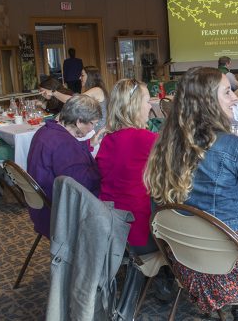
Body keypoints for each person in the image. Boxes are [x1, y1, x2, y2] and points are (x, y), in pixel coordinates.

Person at [144, 67, 238, 321]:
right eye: (227, 92)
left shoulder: (164, 145)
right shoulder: (235, 147)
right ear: (207, 102)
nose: (235, 97)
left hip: (190, 272)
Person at [26, 94, 102, 238]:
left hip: (42, 206)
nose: (93, 127)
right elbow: (83, 185)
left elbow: (63, 159)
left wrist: (88, 144)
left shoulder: (46, 131)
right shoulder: (64, 144)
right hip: (59, 215)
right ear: (79, 122)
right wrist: (106, 167)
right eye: (93, 123)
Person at [95, 79, 157, 252]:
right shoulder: (148, 139)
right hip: (139, 231)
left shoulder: (108, 139)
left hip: (110, 228)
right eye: (147, 101)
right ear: (135, 105)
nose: (150, 107)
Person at [53, 66, 108, 132]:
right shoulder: (94, 90)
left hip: (98, 130)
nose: (79, 78)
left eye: (82, 75)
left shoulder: (97, 90)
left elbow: (73, 101)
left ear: (90, 76)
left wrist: (53, 93)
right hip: (92, 127)